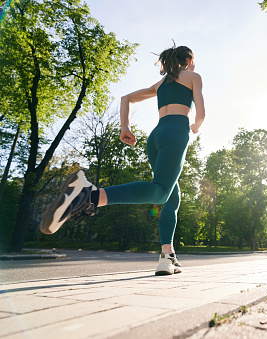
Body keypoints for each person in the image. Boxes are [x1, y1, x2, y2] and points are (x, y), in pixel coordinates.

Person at [39, 45, 205, 276]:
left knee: (172, 197)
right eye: (193, 61)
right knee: (161, 192)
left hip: (155, 138)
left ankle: (167, 256)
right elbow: (201, 113)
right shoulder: (193, 76)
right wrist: (196, 125)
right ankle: (89, 195)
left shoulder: (161, 84)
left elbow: (126, 98)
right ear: (188, 59)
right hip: (177, 132)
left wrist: (125, 128)